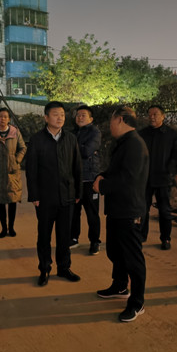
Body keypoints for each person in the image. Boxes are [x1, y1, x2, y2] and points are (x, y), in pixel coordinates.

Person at [93, 106, 149, 322]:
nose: (110, 125)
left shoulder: (134, 144)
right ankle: (119, 285)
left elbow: (128, 178)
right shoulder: (124, 143)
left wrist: (103, 185)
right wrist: (102, 176)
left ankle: (137, 302)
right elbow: (116, 171)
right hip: (118, 208)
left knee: (133, 258)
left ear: (121, 120)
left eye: (111, 120)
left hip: (129, 209)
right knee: (116, 251)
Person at [26, 101, 83, 286]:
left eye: (62, 115)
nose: (60, 118)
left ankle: (64, 267)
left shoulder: (71, 138)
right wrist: (34, 195)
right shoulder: (37, 139)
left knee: (64, 235)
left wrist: (78, 192)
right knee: (44, 236)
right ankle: (44, 269)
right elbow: (31, 170)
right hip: (45, 197)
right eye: (56, 114)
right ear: (46, 117)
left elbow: (77, 167)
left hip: (67, 195)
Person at [138, 105, 177, 249]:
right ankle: (141, 236)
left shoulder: (171, 134)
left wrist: (171, 171)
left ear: (163, 116)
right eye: (150, 114)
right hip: (145, 178)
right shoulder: (142, 134)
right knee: (143, 209)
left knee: (164, 210)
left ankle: (165, 238)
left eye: (155, 114)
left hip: (163, 178)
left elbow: (175, 155)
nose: (152, 117)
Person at [0, 108, 27, 238]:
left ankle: (11, 227)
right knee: (1, 200)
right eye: (0, 116)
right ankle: (4, 228)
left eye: (5, 117)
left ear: (9, 119)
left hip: (12, 172)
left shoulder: (15, 132)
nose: (2, 119)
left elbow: (23, 148)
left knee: (12, 200)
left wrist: (16, 160)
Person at [69, 105, 101, 255]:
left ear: (91, 118)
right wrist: (79, 147)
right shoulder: (72, 132)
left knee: (92, 213)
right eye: (78, 115)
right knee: (74, 212)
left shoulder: (95, 132)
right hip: (74, 179)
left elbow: (87, 151)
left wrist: (73, 148)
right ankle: (73, 238)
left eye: (83, 115)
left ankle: (95, 241)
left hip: (89, 179)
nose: (80, 117)